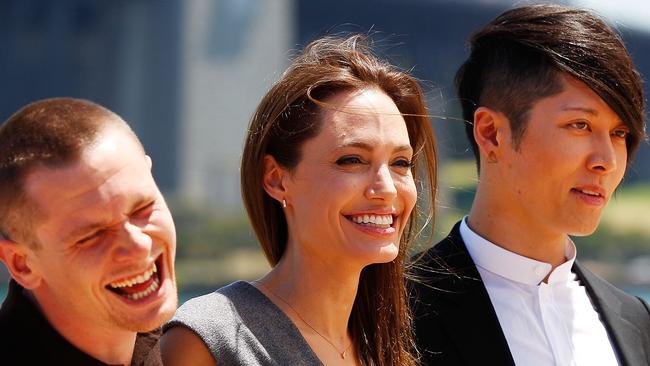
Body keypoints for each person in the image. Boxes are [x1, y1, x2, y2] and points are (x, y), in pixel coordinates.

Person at [161, 34, 438, 365]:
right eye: (352, 160)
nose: (387, 189)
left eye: (400, 163)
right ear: (276, 179)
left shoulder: (392, 348)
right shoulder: (211, 339)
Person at [409, 4, 650, 366]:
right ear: (491, 133)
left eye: (619, 133)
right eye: (580, 125)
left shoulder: (635, 322)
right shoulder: (394, 309)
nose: (608, 161)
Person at [0, 98, 178, 365]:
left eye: (143, 208)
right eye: (92, 236)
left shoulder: (189, 348)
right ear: (22, 263)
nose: (138, 245)